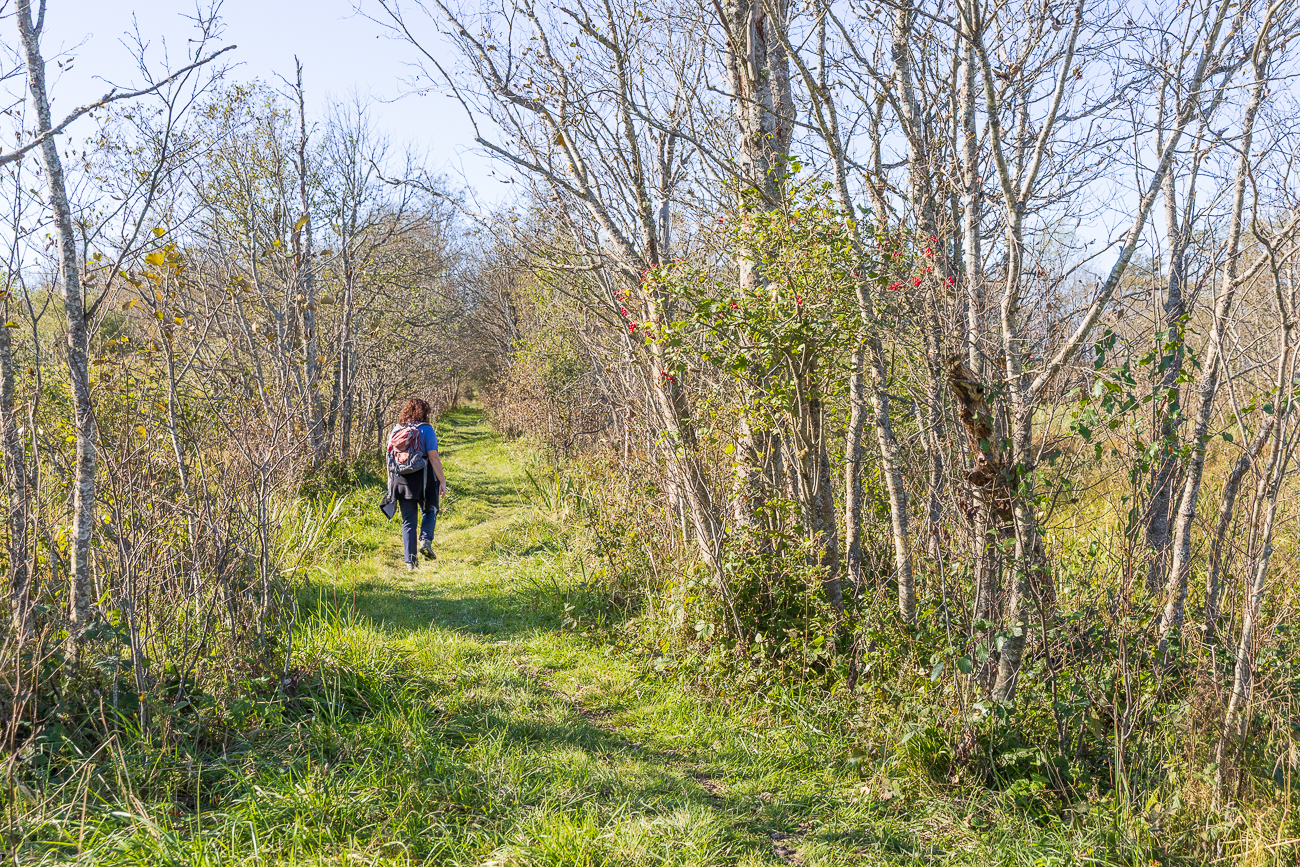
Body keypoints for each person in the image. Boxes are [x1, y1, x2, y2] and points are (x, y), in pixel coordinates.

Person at [385, 398, 447, 571]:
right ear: (425, 412)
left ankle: (410, 562)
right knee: (430, 509)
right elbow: (433, 456)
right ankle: (425, 540)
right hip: (424, 479)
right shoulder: (426, 430)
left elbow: (388, 456)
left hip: (401, 480)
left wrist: (390, 480)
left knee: (408, 520)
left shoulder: (396, 429)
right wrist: (442, 480)